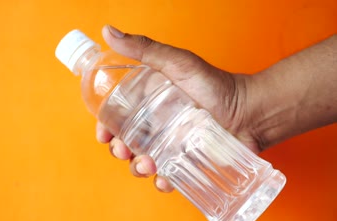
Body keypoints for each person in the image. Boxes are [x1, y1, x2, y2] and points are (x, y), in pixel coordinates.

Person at [96, 25, 337, 193]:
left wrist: (241, 106)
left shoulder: (116, 69)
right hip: (225, 198)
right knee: (156, 157)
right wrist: (246, 110)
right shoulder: (101, 88)